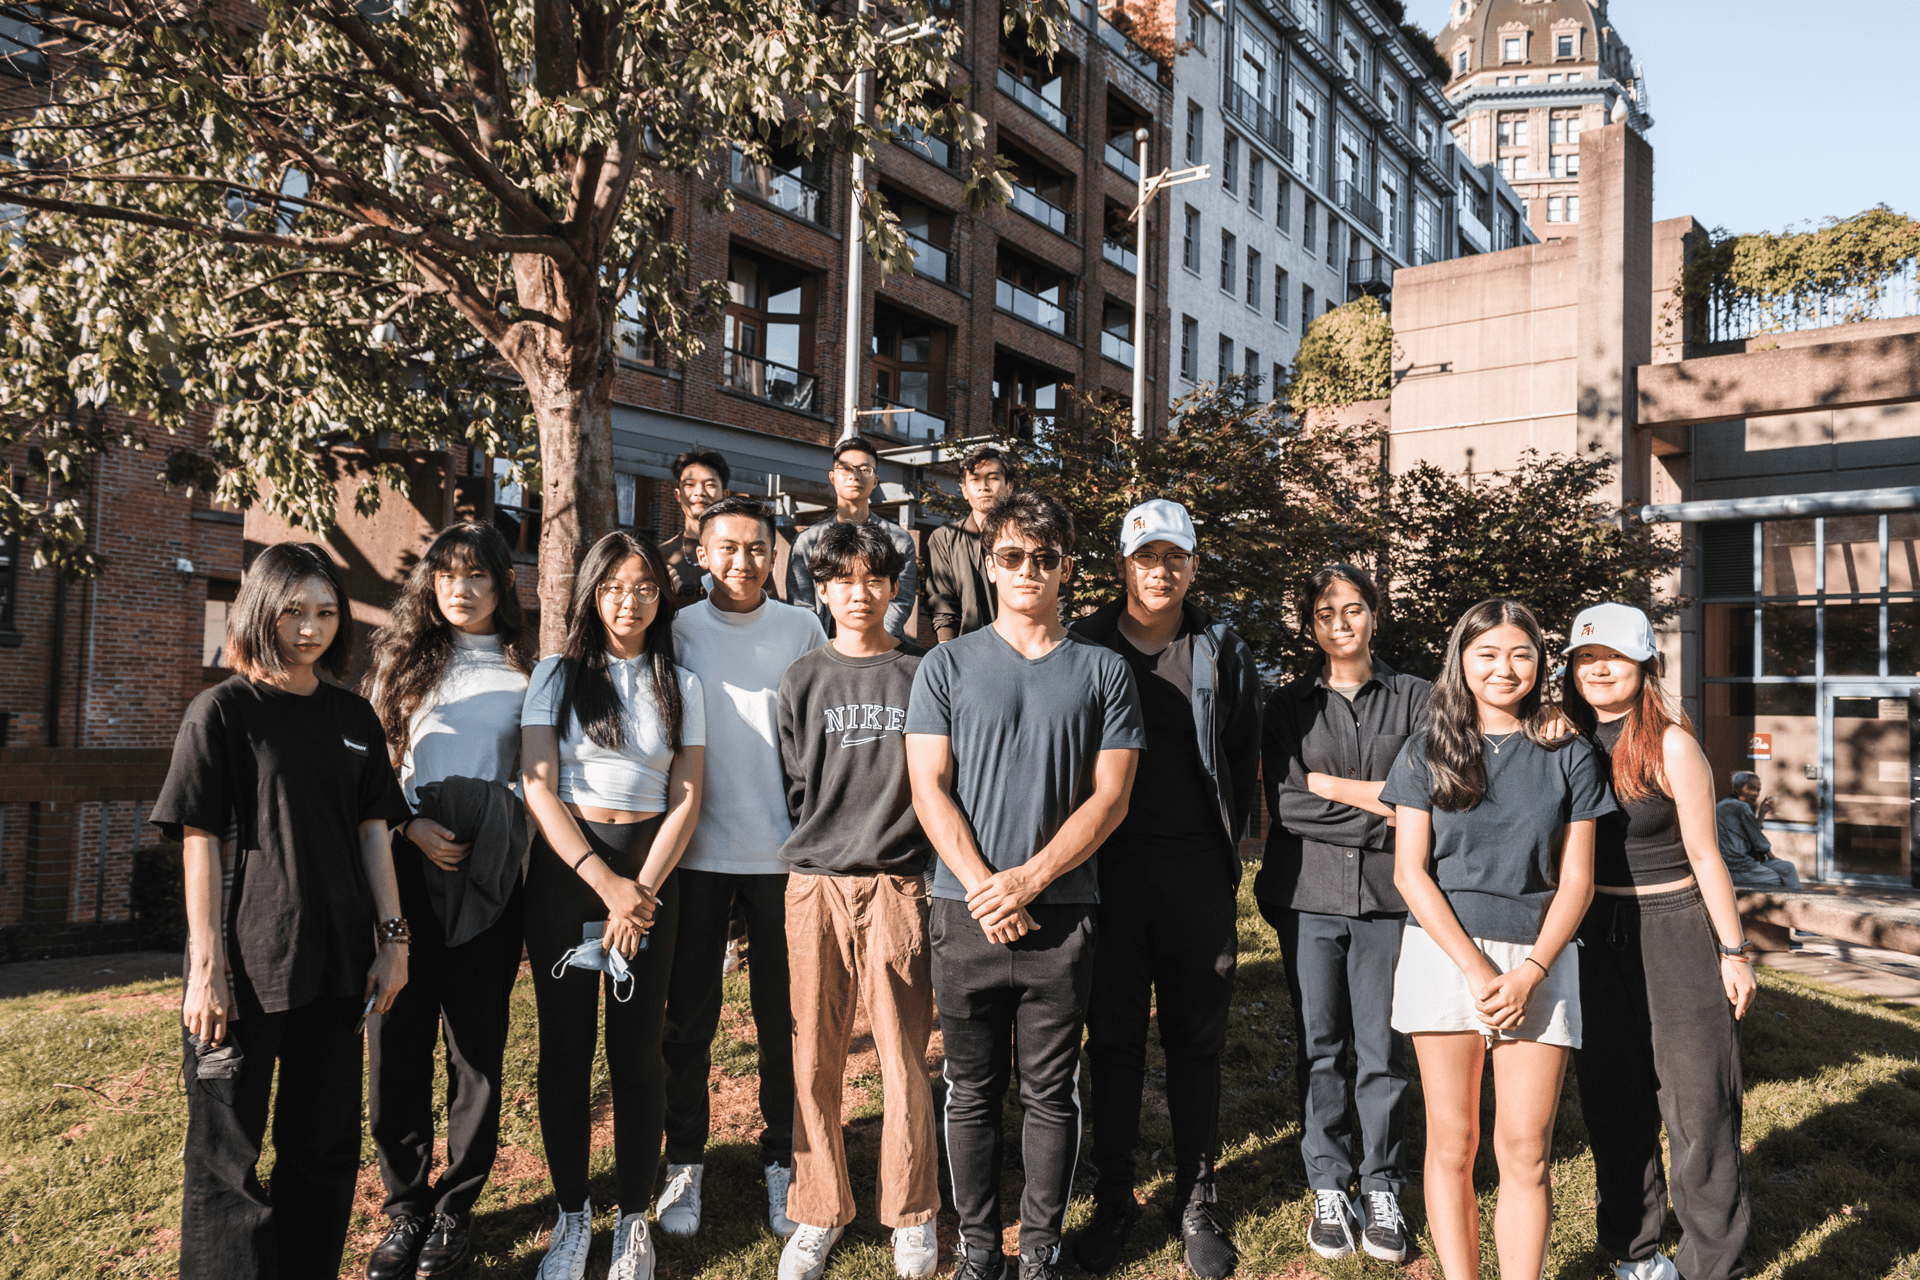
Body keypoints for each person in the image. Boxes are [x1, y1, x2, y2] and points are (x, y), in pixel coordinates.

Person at [150, 541, 413, 1279]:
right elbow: (197, 839)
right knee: (226, 1162)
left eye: (326, 612)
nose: (310, 628)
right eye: (294, 610)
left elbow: (373, 834)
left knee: (323, 1150)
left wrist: (393, 938)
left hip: (335, 968)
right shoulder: (222, 712)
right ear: (262, 608)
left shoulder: (353, 714)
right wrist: (206, 970)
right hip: (245, 970)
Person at [905, 490, 1145, 1280]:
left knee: (1050, 1092)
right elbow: (929, 787)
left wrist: (1033, 880)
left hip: (1062, 914)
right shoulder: (945, 664)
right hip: (963, 910)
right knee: (970, 1090)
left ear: (1067, 568)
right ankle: (979, 1251)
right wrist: (984, 886)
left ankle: (1038, 1250)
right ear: (989, 561)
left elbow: (1110, 796)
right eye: (1012, 556)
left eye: (1045, 558)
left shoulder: (1103, 670)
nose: (1028, 571)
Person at [1380, 599, 1613, 1280]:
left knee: (1526, 1149)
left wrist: (1530, 971)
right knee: (1452, 1143)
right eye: (1487, 653)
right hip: (1444, 955)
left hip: (1540, 961)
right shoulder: (1427, 747)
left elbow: (1577, 882)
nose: (1503, 668)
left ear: (1541, 663)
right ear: (1462, 660)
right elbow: (1410, 873)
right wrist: (1479, 970)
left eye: (1520, 653)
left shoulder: (1569, 750)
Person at [1065, 499, 1260, 1279]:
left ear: (1192, 565)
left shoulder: (1219, 645)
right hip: (1105, 875)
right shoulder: (1082, 641)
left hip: (1194, 874)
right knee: (1111, 1040)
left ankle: (1198, 1197)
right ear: (1122, 565)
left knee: (1195, 1041)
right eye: (1146, 556)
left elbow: (1241, 750)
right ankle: (1115, 1198)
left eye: (1174, 557)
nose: (1160, 571)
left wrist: (1227, 849)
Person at [520, 530, 706, 1280]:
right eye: (614, 587)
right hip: (570, 876)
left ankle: (634, 1219)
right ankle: (573, 1217)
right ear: (591, 594)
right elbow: (538, 785)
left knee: (636, 1055)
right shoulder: (555, 676)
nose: (629, 601)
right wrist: (607, 886)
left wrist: (643, 892)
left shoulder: (680, 682)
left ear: (661, 598)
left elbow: (688, 795)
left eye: (644, 588)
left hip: (653, 874)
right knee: (565, 1054)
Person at [1563, 603, 1757, 1280]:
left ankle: (1712, 1262)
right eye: (1586, 658)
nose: (1598, 669)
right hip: (1592, 936)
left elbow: (1707, 855)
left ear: (1647, 663)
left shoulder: (1671, 743)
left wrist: (1733, 953)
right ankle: (1635, 1254)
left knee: (1698, 1105)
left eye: (1613, 656)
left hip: (1674, 928)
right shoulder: (1560, 738)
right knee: (1614, 1105)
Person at [362, 523, 534, 1280]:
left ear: (502, 585)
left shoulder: (528, 668)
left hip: (490, 877)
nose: (459, 589)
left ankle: (456, 1209)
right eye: (446, 576)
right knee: (396, 1040)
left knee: (476, 1050)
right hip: (407, 864)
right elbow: (375, 769)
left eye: (476, 576)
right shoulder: (401, 663)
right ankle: (405, 1208)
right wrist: (411, 825)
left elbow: (538, 777)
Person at [774, 520, 941, 1280]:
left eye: (873, 578)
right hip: (815, 887)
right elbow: (794, 782)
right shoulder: (804, 676)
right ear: (822, 590)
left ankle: (911, 1213)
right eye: (842, 579)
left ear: (893, 585)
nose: (859, 592)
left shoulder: (923, 673)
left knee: (905, 1056)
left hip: (899, 883)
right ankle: (817, 1208)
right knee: (815, 1057)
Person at [658, 496, 827, 1240]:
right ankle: (683, 1160)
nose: (742, 561)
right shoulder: (677, 628)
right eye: (726, 547)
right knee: (688, 1020)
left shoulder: (802, 627)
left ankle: (782, 1157)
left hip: (782, 854)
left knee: (782, 1023)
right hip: (695, 853)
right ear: (701, 553)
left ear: (775, 556)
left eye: (758, 548)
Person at [1253, 564, 1430, 1264]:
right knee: (1321, 1046)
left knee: (1383, 1050)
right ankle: (1329, 1181)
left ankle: (1382, 1183)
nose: (1341, 623)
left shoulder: (1417, 698)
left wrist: (1332, 787)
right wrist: (1381, 801)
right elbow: (1288, 805)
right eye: (1325, 613)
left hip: (1390, 903)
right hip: (1309, 902)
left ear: (1374, 615)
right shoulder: (1286, 707)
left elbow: (1429, 797)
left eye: (1353, 609)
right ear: (1310, 624)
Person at [787, 436, 919, 640]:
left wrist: (867, 645)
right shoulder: (808, 541)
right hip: (822, 649)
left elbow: (901, 601)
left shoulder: (897, 540)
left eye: (865, 470)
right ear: (832, 477)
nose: (854, 476)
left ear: (876, 481)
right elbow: (801, 605)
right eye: (845, 469)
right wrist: (823, 648)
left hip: (880, 649)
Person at [922, 444, 1010, 642]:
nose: (984, 486)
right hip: (964, 651)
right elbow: (942, 605)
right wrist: (948, 654)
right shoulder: (944, 538)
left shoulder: (1026, 538)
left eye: (993, 478)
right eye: (975, 479)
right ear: (964, 490)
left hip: (1023, 649)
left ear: (1009, 486)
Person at [660, 449, 729, 607]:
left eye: (710, 485)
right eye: (690, 484)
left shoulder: (741, 553)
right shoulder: (660, 556)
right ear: (678, 495)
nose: (700, 492)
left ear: (725, 495)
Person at [1715, 772, 1804, 891]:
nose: (1756, 794)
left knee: (1787, 867)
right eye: (1751, 788)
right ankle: (1798, 902)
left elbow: (1752, 832)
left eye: (1758, 790)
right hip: (1740, 867)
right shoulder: (1741, 807)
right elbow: (1759, 843)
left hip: (1731, 865)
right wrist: (1773, 857)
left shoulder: (1722, 805)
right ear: (1736, 788)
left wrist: (1762, 813)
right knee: (1784, 876)